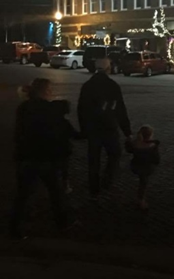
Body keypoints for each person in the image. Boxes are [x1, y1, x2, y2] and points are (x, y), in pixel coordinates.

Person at [10, 79, 77, 239]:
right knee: (55, 192)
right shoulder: (48, 109)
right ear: (44, 91)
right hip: (45, 157)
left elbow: (19, 133)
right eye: (49, 89)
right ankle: (62, 223)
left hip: (26, 156)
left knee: (23, 195)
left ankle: (16, 227)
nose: (51, 92)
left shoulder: (24, 108)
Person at [78, 58, 132, 199]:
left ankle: (93, 186)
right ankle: (107, 180)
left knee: (94, 158)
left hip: (93, 127)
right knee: (114, 154)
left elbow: (81, 109)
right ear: (108, 68)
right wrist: (127, 131)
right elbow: (120, 109)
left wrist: (84, 128)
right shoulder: (112, 85)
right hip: (109, 126)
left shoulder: (88, 85)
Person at [125, 125, 160, 210]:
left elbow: (128, 149)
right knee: (143, 182)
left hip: (136, 166)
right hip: (147, 167)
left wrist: (128, 140)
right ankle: (141, 200)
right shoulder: (152, 147)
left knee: (142, 180)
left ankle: (140, 199)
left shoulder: (135, 145)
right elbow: (156, 159)